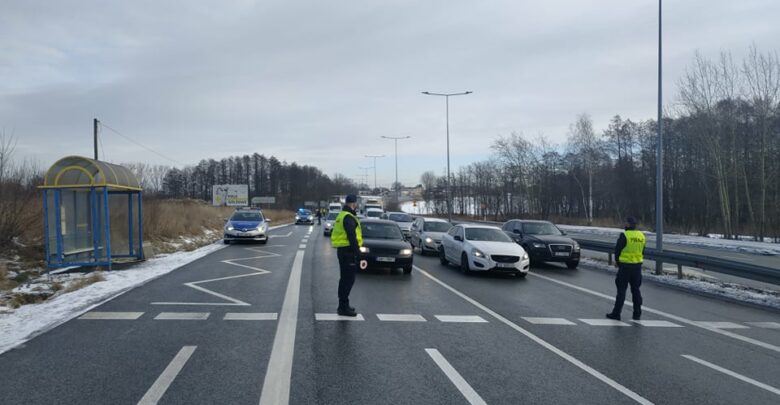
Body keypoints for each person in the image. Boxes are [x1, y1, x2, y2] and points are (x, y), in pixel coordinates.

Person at [606, 216, 646, 321]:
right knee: (636, 290)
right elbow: (642, 251)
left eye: (626, 223)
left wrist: (618, 262)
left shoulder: (624, 235)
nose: (625, 224)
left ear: (628, 224)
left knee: (621, 290)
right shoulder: (641, 236)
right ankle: (637, 314)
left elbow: (618, 250)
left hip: (625, 267)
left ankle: (616, 313)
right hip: (637, 267)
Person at [330, 194, 363, 316]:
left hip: (343, 251)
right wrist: (358, 252)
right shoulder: (348, 217)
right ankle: (343, 307)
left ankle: (343, 305)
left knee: (345, 279)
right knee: (348, 280)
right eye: (356, 203)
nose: (357, 205)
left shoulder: (342, 215)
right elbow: (352, 237)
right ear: (354, 203)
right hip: (348, 252)